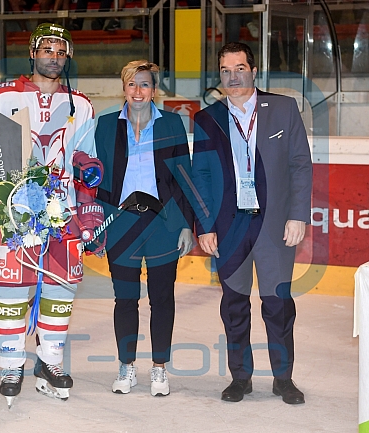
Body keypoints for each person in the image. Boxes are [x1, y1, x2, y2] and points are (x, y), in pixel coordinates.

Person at [0, 23, 98, 406]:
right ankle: (11, 363)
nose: (53, 56)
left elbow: (88, 162)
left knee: (60, 289)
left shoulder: (81, 105)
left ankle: (50, 361)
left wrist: (88, 211)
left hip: (63, 212)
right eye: (46, 49)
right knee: (12, 289)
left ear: (67, 56)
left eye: (60, 50)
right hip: (12, 212)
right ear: (33, 52)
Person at [191, 42, 312, 404]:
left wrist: (298, 215)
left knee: (277, 305)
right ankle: (240, 377)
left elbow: (300, 166)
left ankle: (283, 378)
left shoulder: (284, 109)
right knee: (234, 304)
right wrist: (205, 224)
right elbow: (200, 175)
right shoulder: (207, 118)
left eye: (240, 68)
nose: (233, 76)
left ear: (254, 71)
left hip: (274, 226)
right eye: (226, 70)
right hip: (229, 229)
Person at [95, 60, 194, 396]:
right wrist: (97, 222)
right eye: (132, 85)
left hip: (163, 223)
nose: (138, 92)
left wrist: (185, 225)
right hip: (121, 224)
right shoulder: (106, 126)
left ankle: (159, 369)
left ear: (154, 89)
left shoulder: (172, 124)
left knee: (162, 298)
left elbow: (184, 176)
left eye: (145, 85)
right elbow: (97, 179)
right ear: (124, 87)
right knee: (125, 299)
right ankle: (126, 366)